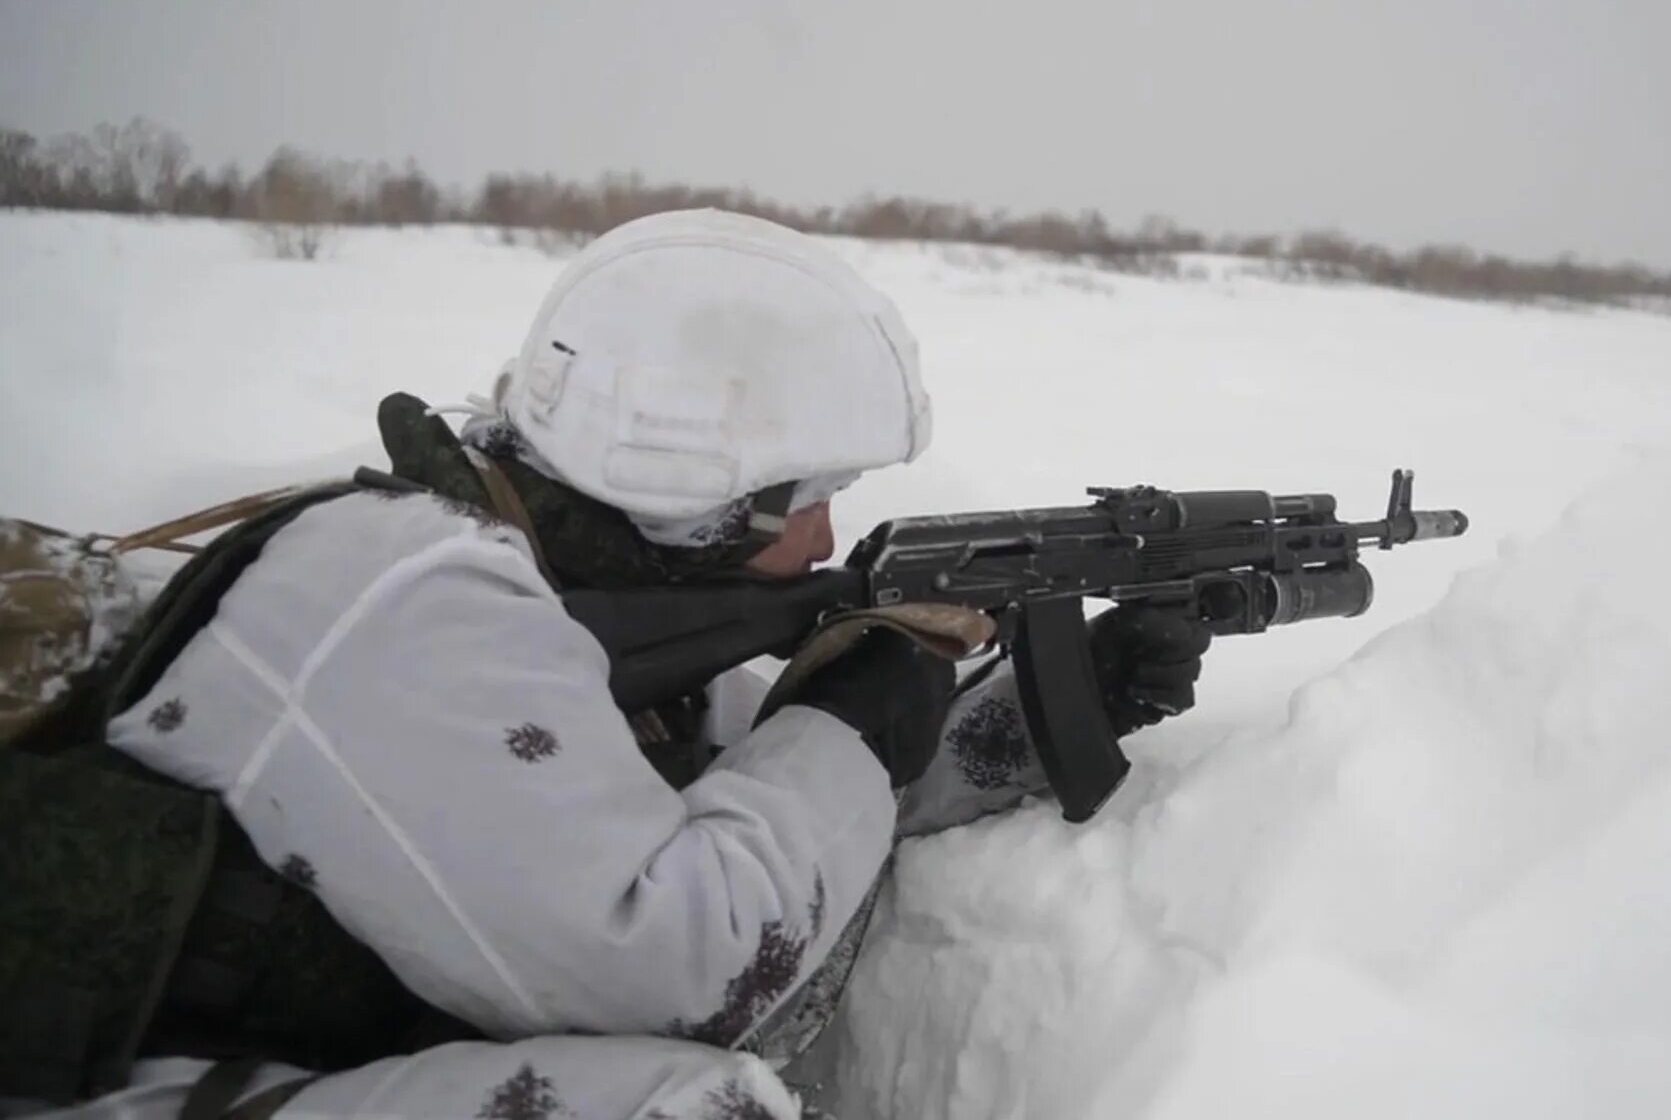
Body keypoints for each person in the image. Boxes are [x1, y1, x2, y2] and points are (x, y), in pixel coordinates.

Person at [5, 209, 1211, 1120]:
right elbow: (696, 969)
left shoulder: (554, 588)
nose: (827, 539)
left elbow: (767, 800)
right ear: (697, 498)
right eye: (808, 498)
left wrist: (1049, 708)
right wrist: (859, 704)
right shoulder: (398, 604)